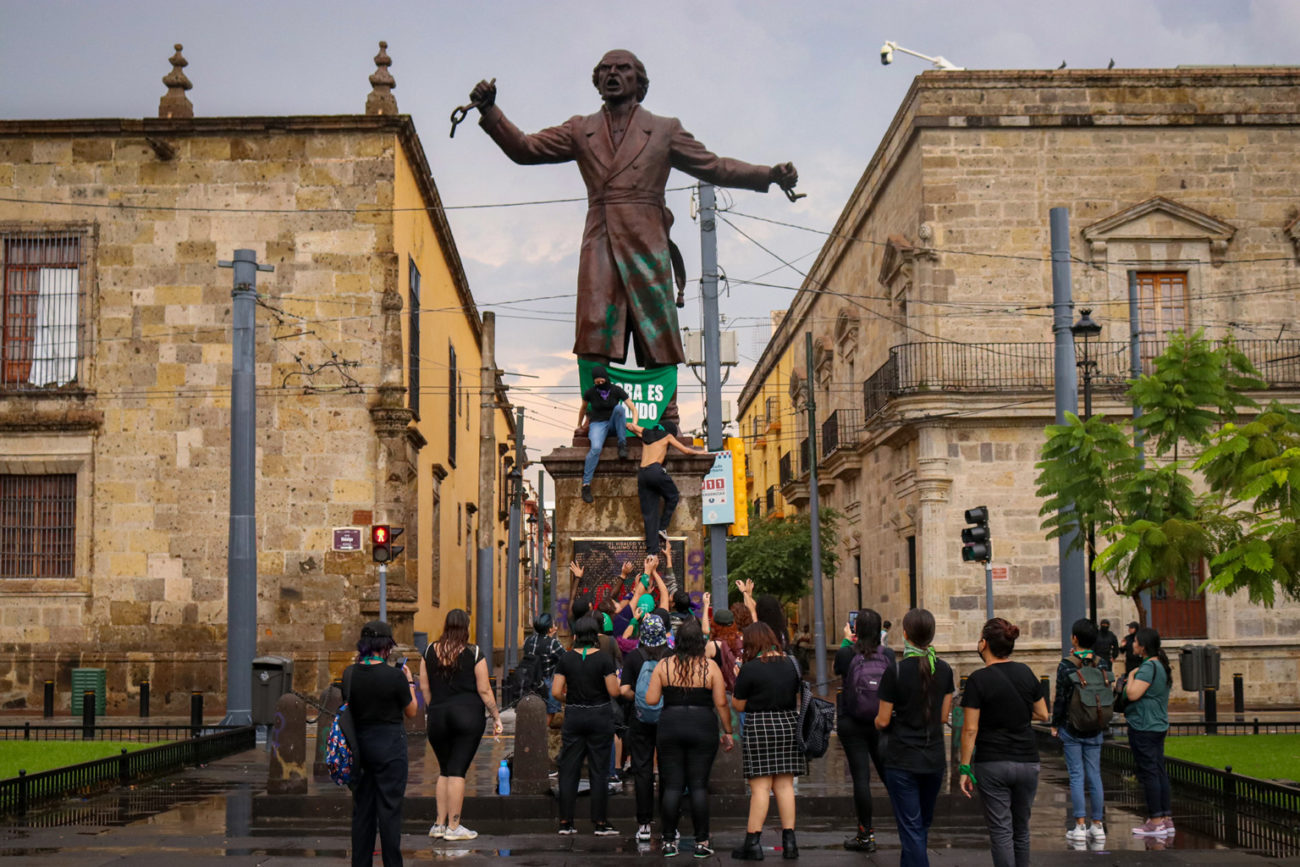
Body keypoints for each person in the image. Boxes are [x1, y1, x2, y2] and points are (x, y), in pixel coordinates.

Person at [469, 52, 797, 419]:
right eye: (605, 69)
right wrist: (491, 112)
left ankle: (666, 413)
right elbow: (526, 148)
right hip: (601, 241)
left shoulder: (664, 129)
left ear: (639, 83)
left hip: (647, 242)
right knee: (595, 328)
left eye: (622, 69)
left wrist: (768, 174)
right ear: (597, 82)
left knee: (656, 329)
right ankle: (597, 412)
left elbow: (715, 166)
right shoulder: (581, 129)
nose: (613, 74)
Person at [958, 618, 1050, 867]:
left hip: (993, 762)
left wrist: (965, 768)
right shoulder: (1026, 672)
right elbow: (1043, 714)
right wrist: (1017, 712)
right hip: (1028, 761)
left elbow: (970, 729)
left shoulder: (978, 680)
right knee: (1021, 829)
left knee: (1001, 830)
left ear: (984, 644)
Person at [644, 618, 734, 857]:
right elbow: (721, 703)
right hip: (703, 726)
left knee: (672, 785)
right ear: (699, 642)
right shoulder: (710, 667)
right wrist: (728, 731)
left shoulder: (664, 665)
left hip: (670, 725)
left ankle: (668, 841)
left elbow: (651, 700)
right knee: (698, 786)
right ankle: (702, 842)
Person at [875, 608, 955, 867]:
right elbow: (944, 717)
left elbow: (883, 720)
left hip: (902, 759)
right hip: (933, 759)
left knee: (911, 828)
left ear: (906, 634)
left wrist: (879, 721)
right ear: (931, 635)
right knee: (921, 826)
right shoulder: (943, 670)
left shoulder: (895, 672)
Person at [420, 609, 502, 842]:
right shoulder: (474, 652)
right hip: (467, 716)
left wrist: (435, 708)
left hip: (438, 715)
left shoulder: (427, 651)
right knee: (457, 771)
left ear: (446, 625)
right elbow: (485, 690)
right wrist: (495, 716)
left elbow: (425, 688)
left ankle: (439, 824)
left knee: (444, 770)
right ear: (466, 627)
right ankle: (454, 826)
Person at [345, 620, 418, 867]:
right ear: (385, 646)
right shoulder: (395, 677)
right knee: (389, 812)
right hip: (390, 749)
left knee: (362, 812)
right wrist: (409, 683)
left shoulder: (350, 674)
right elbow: (411, 711)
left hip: (360, 747)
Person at [731, 621, 806, 860]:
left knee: (761, 787)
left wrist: (738, 679)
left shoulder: (750, 668)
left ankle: (753, 843)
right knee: (784, 786)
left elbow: (739, 705)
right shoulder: (791, 664)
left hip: (760, 727)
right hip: (788, 725)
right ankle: (790, 842)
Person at [553, 614, 622, 836]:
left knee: (569, 768)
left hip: (574, 716)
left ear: (576, 635)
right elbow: (613, 691)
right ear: (594, 636)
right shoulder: (603, 659)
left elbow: (556, 691)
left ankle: (566, 821)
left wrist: (570, 699)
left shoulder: (566, 658)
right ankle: (600, 822)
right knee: (599, 770)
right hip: (600, 715)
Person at [834, 608, 895, 852]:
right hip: (881, 721)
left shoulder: (846, 653)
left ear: (856, 629)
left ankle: (865, 835)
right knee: (889, 775)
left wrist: (848, 640)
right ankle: (909, 823)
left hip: (852, 721)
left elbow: (838, 672)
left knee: (861, 778)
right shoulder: (888, 654)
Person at [1051, 618, 1107, 845]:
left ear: (1075, 638)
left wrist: (1055, 724)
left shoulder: (1066, 664)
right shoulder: (1102, 664)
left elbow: (1061, 698)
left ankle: (1080, 826)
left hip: (1072, 727)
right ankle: (1098, 825)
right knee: (1095, 775)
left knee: (1076, 775)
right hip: (1095, 726)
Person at [619, 613, 671, 842]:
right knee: (669, 771)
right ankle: (670, 825)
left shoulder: (633, 657)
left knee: (643, 770)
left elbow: (623, 690)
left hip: (639, 719)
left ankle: (643, 824)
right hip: (667, 719)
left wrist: (639, 700)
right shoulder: (671, 656)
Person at [626, 420, 713, 554]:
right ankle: (662, 527)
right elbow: (685, 450)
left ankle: (652, 552)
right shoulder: (667, 436)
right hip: (655, 470)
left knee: (650, 514)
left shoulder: (646, 433)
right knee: (673, 496)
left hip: (642, 474)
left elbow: (629, 425)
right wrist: (702, 453)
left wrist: (634, 426)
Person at [1123, 626, 1174, 837]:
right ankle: (1165, 818)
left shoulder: (1147, 668)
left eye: (1135, 641)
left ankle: (1155, 821)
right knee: (1158, 770)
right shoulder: (1161, 665)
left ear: (1143, 646)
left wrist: (1131, 676)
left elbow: (1133, 694)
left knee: (1150, 772)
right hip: (1157, 724)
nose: (1132, 645)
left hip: (1144, 725)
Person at [578, 365, 637, 503]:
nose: (599, 384)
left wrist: (634, 424)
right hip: (598, 423)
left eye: (602, 381)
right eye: (597, 382)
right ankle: (586, 484)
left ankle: (622, 444)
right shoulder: (590, 393)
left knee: (619, 408)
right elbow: (583, 409)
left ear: (606, 379)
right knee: (596, 448)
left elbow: (632, 408)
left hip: (613, 424)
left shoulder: (616, 390)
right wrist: (579, 424)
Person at [522, 612, 565, 726]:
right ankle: (541, 734)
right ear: (550, 628)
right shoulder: (553, 644)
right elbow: (566, 659)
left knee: (533, 714)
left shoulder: (528, 640)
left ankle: (533, 733)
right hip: (546, 682)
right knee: (549, 712)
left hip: (530, 681)